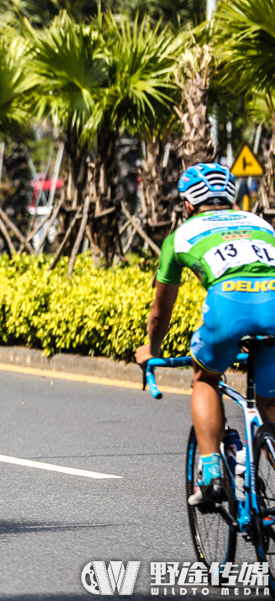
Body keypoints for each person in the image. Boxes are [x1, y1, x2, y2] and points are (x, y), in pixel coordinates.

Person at [135, 163, 275, 506]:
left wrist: (150, 349)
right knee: (270, 402)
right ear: (230, 196)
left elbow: (160, 311)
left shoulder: (180, 235)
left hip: (228, 307)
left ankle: (212, 474)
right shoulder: (260, 224)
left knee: (206, 378)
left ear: (187, 204)